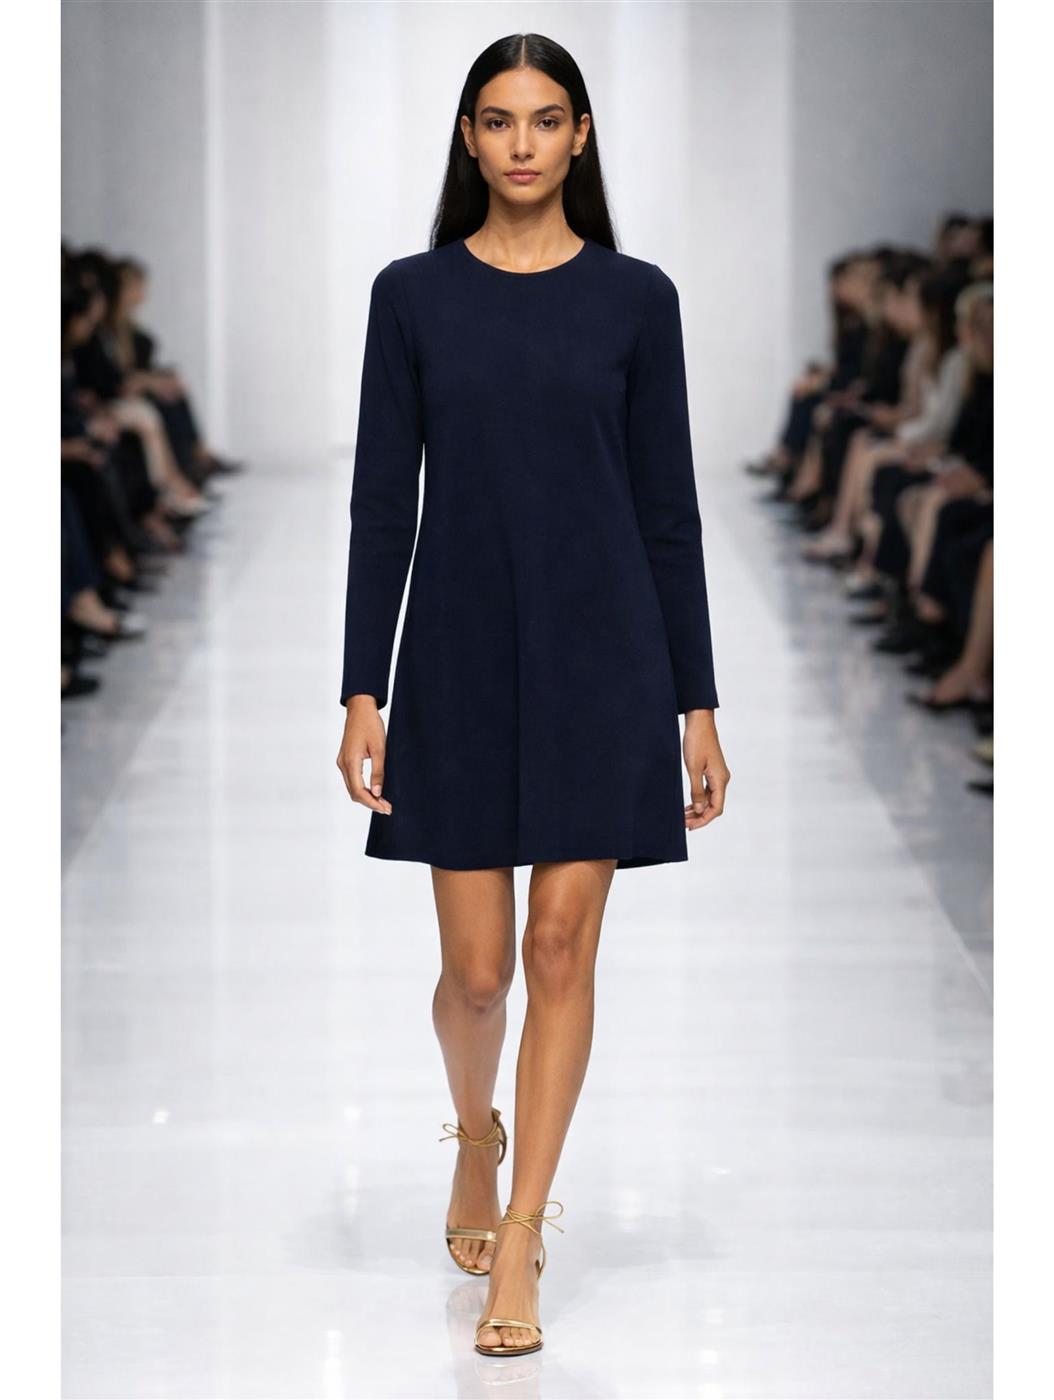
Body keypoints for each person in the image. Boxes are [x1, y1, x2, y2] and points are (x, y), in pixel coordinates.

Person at [334, 33, 730, 1359]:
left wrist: (696, 701)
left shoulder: (636, 299)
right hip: (456, 649)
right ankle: (475, 1130)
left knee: (560, 949)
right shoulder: (411, 296)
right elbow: (381, 501)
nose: (521, 143)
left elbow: (667, 508)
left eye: (545, 119)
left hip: (602, 652)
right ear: (467, 137)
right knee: (476, 970)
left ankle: (522, 1230)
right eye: (498, 120)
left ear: (580, 136)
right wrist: (362, 687)